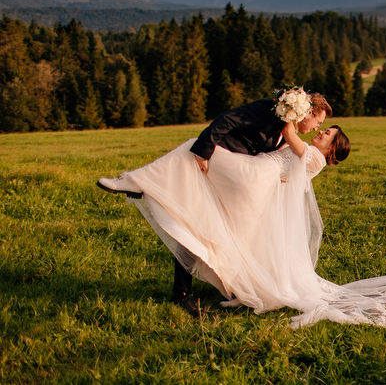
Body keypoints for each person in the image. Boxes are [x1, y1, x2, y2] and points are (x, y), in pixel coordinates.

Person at [97, 89, 386, 329]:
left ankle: (136, 181)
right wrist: (293, 109)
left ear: (331, 150)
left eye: (326, 133)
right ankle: (143, 186)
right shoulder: (303, 148)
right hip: (255, 179)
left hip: (253, 177)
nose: (320, 132)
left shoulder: (313, 157)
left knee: (195, 145)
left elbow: (292, 138)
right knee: (201, 186)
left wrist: (291, 109)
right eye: (322, 126)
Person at [99, 90, 333, 315]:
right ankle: (194, 292)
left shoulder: (298, 143)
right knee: (201, 223)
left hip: (246, 180)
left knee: (190, 149)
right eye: (318, 123)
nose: (317, 128)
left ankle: (133, 181)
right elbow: (227, 120)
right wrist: (204, 149)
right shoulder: (272, 113)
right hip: (240, 179)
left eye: (323, 130)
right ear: (308, 112)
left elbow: (287, 159)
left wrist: (202, 149)